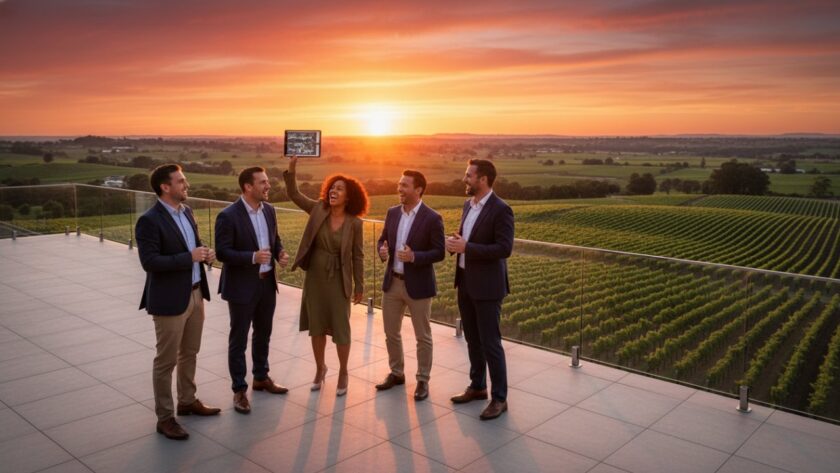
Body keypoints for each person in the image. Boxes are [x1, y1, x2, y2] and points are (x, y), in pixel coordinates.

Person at [135, 164, 221, 440]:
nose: (186, 185)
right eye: (181, 181)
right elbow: (149, 262)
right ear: (165, 187)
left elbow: (191, 247)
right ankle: (165, 418)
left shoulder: (188, 212)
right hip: (169, 300)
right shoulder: (149, 220)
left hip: (196, 294)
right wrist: (190, 257)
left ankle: (187, 401)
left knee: (190, 352)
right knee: (166, 361)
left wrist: (205, 253)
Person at [283, 156, 367, 396]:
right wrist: (292, 167)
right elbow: (295, 194)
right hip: (316, 277)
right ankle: (320, 368)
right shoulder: (318, 209)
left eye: (340, 189)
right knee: (316, 326)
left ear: (349, 196)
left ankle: (343, 371)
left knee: (341, 328)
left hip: (340, 279)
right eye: (332, 187)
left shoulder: (355, 223)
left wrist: (359, 284)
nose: (333, 190)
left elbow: (358, 256)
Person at [215, 167, 290, 414]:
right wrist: (252, 257)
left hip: (267, 283)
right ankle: (239, 390)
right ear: (248, 186)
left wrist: (279, 253)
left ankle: (261, 377)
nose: (268, 186)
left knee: (263, 333)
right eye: (263, 182)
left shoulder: (269, 210)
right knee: (238, 339)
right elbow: (223, 252)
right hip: (241, 286)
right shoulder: (228, 215)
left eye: (267, 182)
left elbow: (274, 238)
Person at [445, 159, 514, 420]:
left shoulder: (501, 209)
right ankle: (477, 386)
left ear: (482, 178)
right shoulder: (468, 205)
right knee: (472, 339)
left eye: (468, 175)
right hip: (465, 280)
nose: (465, 179)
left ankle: (499, 398)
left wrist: (467, 248)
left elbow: (504, 248)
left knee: (490, 343)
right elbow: (468, 239)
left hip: (487, 286)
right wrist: (456, 242)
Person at [375, 170, 445, 401]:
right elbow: (382, 240)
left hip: (419, 287)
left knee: (422, 336)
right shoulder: (392, 213)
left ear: (418, 190)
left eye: (405, 185)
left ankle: (423, 380)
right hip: (392, 282)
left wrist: (415, 257)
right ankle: (397, 373)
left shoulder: (432, 218)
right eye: (399, 184)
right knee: (390, 332)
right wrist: (382, 251)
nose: (400, 189)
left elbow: (439, 252)